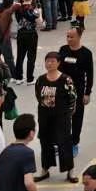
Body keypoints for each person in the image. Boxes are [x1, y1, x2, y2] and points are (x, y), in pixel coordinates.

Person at [35, 52, 79, 182]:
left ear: (58, 63)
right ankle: (45, 169)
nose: (49, 64)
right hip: (44, 115)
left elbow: (73, 97)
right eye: (47, 61)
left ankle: (70, 171)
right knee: (45, 141)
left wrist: (68, 112)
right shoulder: (41, 79)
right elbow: (38, 95)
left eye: (52, 61)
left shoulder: (66, 79)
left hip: (62, 116)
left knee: (64, 141)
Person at [59, 26, 95, 158]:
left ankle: (74, 143)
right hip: (63, 90)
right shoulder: (63, 50)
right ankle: (62, 142)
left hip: (78, 90)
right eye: (67, 36)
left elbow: (90, 74)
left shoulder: (86, 53)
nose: (69, 39)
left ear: (79, 37)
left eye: (71, 37)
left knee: (77, 117)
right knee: (62, 117)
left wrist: (87, 93)